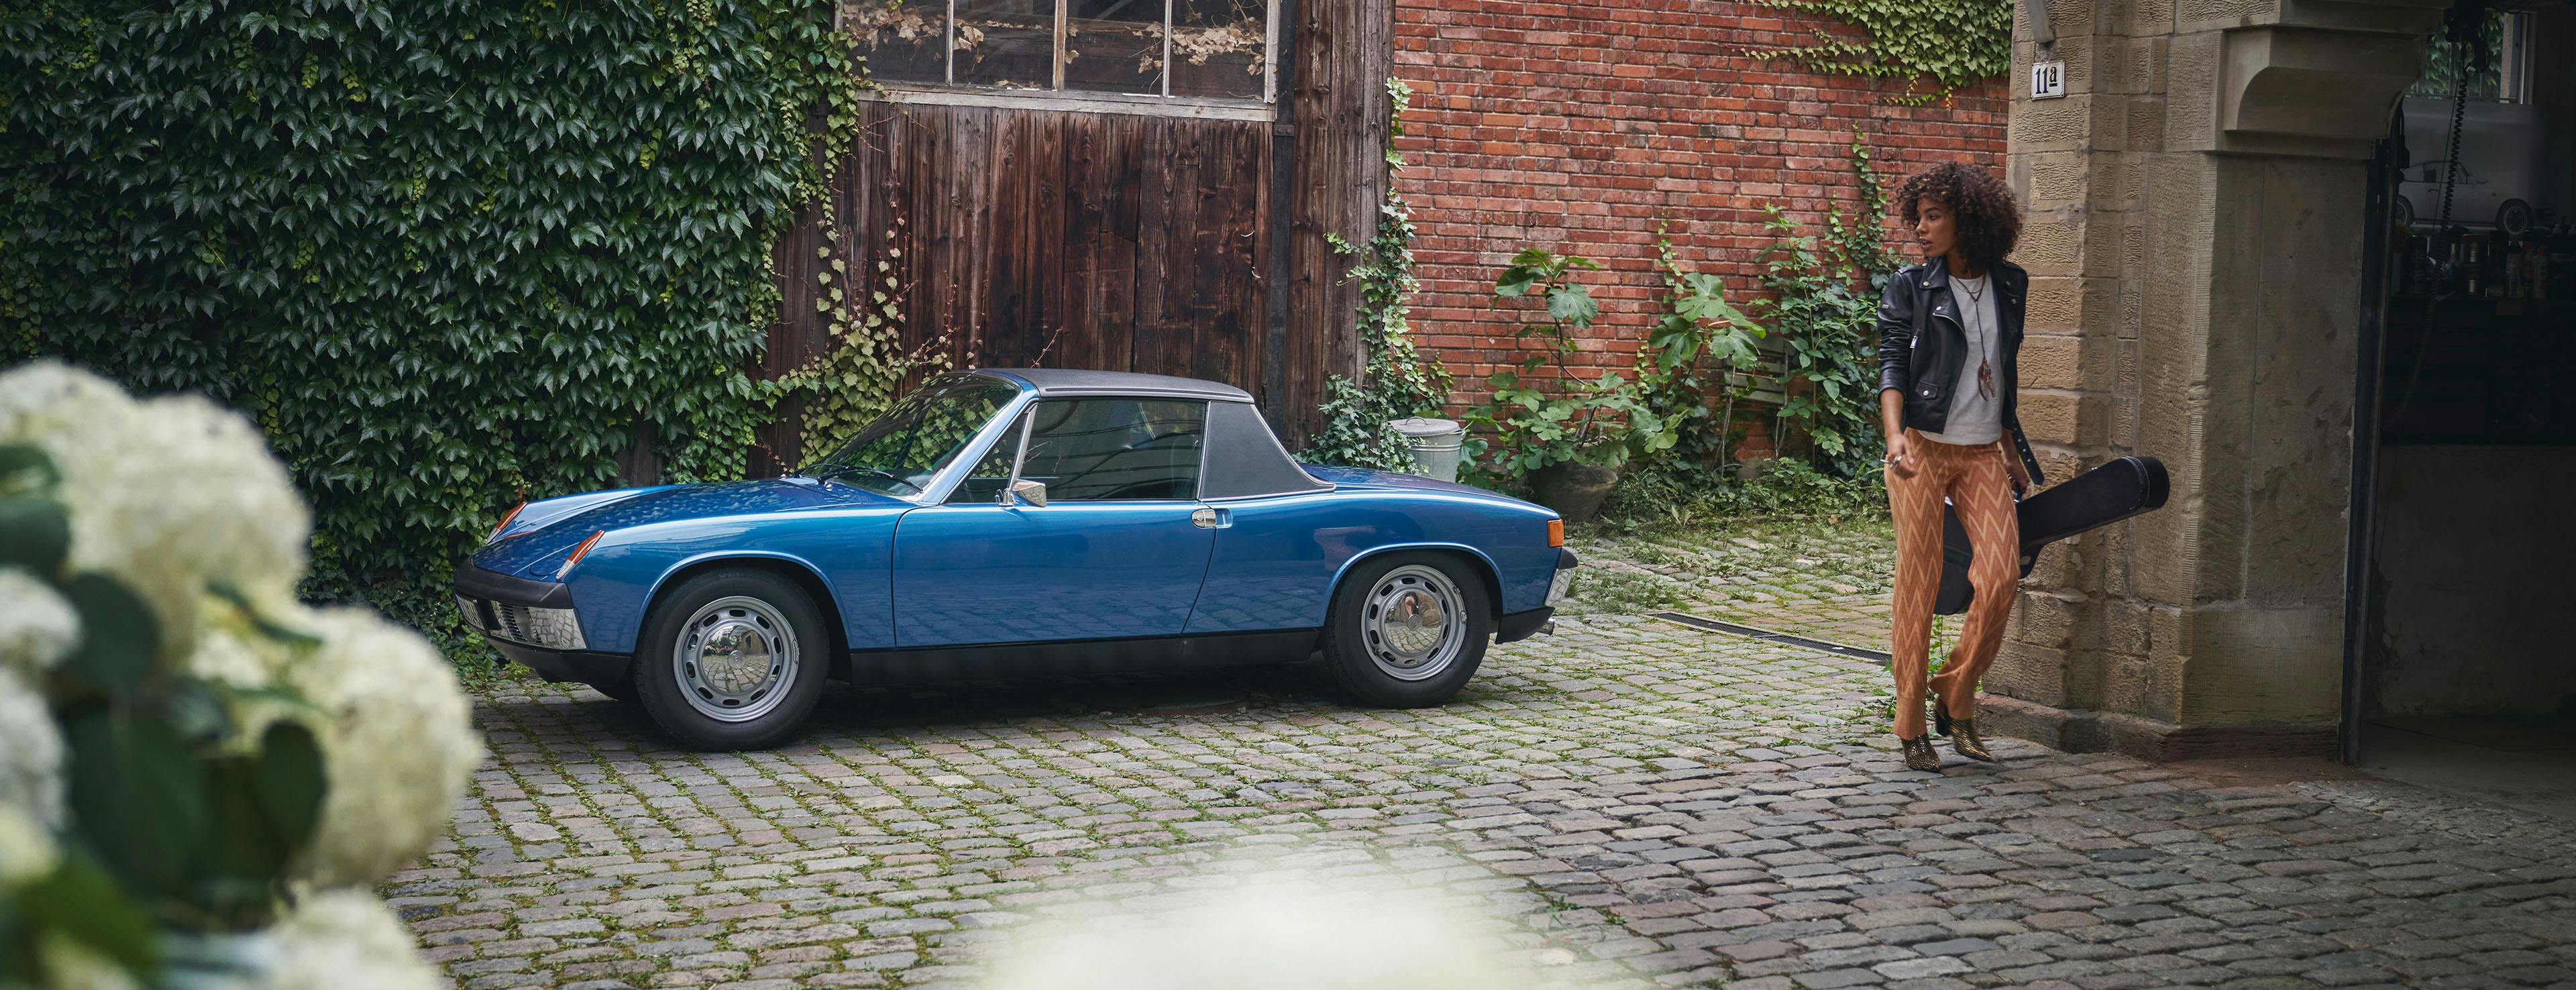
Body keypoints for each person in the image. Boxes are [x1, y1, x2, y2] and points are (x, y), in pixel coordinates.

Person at [1874, 162, 2044, 773]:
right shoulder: (1910, 287)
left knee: (2000, 577)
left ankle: (1957, 687)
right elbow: (1893, 365)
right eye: (1916, 217)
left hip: (1981, 453)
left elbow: (2003, 371)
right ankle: (1911, 721)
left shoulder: (2011, 283)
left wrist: (2010, 448)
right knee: (1917, 587)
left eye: (1934, 216)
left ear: (1969, 220)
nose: (1921, 228)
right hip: (1920, 448)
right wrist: (1895, 437)